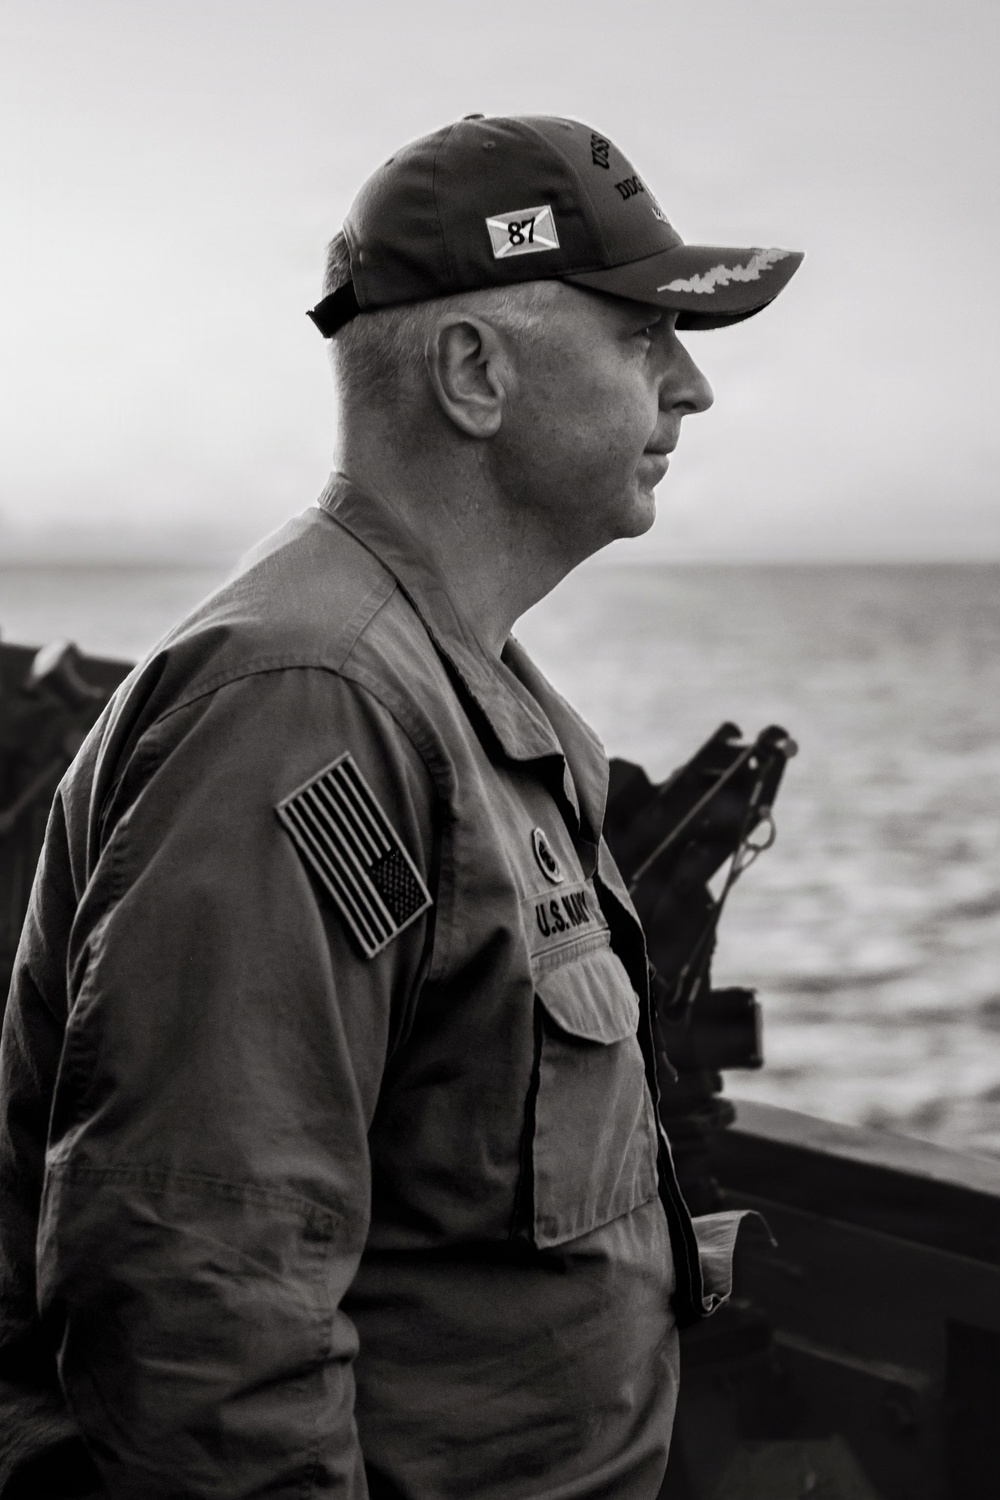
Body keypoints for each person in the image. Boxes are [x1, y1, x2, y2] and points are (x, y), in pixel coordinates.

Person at [0, 115, 801, 1499]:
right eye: (640, 335)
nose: (690, 388)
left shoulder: (460, 686)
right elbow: (202, 1308)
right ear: (475, 372)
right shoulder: (306, 701)